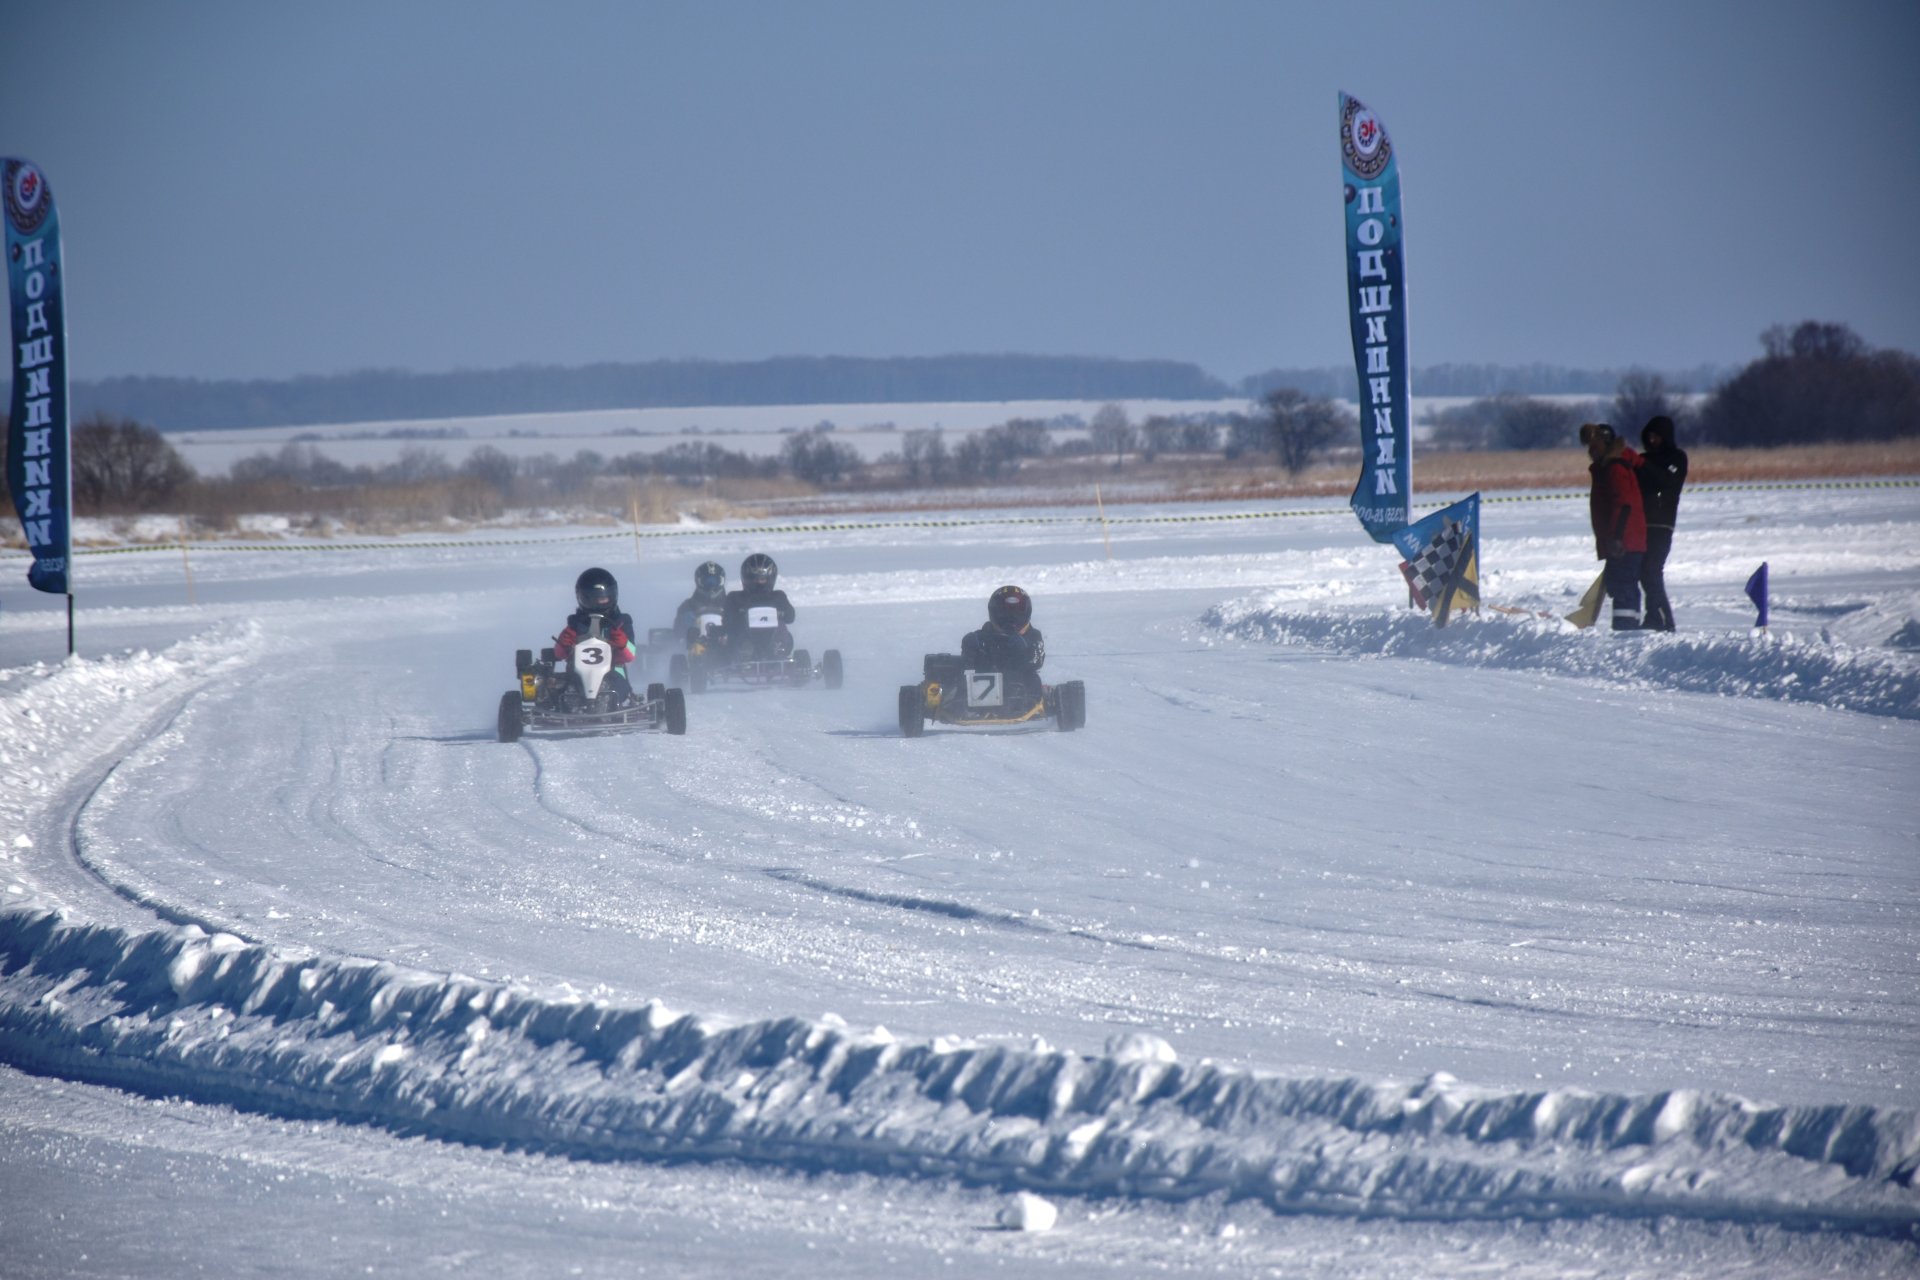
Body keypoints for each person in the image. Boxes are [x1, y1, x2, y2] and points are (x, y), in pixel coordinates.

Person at [1581, 424, 1647, 632]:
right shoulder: (1607, 467)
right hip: (1622, 539)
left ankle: (1625, 631)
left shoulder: (1615, 468)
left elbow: (1624, 504)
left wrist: (1617, 538)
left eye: (1595, 445)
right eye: (1589, 446)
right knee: (1619, 583)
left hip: (1624, 541)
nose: (1591, 451)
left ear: (1606, 444)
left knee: (1622, 585)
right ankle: (1629, 628)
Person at [1636, 416, 1689, 631]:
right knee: (1644, 571)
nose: (1652, 440)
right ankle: (1657, 618)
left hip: (1662, 524)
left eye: (1656, 436)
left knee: (1652, 570)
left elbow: (1666, 480)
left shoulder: (1677, 458)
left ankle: (1662, 620)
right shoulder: (1643, 460)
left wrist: (1642, 464)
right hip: (1642, 523)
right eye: (1649, 436)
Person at [553, 566, 636, 699]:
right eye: (596, 599)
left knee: (616, 685)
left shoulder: (621, 622)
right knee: (567, 687)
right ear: (583, 598)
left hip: (613, 670)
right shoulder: (576, 623)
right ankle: (574, 702)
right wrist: (564, 643)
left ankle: (605, 698)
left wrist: (622, 644)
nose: (600, 603)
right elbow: (559, 654)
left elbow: (631, 655)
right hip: (577, 672)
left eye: (604, 599)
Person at [961, 585, 1047, 702]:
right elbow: (966, 666)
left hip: (1024, 692)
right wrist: (973, 650)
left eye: (1017, 612)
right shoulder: (979, 637)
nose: (1011, 617)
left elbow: (1035, 663)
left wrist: (1024, 650)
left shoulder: (1033, 637)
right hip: (977, 689)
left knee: (1032, 678)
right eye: (1005, 612)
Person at [718, 552, 796, 658]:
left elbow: (790, 617)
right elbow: (727, 621)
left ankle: (778, 647)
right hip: (743, 642)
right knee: (732, 633)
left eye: (762, 579)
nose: (759, 583)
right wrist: (741, 615)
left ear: (770, 579)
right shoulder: (735, 598)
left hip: (774, 641)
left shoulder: (778, 596)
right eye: (755, 579)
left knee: (781, 625)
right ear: (747, 579)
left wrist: (780, 614)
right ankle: (746, 649)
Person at [672, 560, 729, 643]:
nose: (711, 586)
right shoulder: (687, 606)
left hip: (727, 646)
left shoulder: (731, 604)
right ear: (698, 582)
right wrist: (687, 629)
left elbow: (739, 629)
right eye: (707, 582)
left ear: (722, 582)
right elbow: (677, 635)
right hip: (695, 646)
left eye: (715, 582)